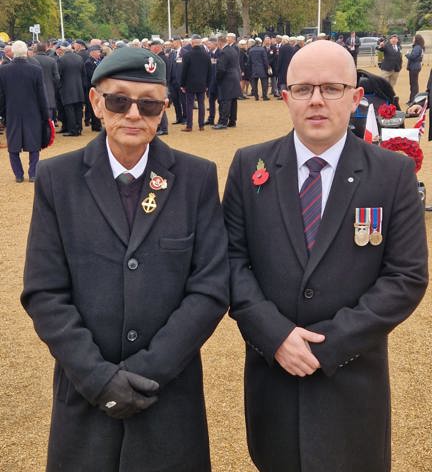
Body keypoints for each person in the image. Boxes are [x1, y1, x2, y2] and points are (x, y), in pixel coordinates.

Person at [222, 40, 428, 472]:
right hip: (273, 381)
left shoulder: (391, 174)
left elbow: (405, 277)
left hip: (353, 384)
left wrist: (328, 346)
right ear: (286, 97)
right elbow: (231, 263)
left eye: (332, 88)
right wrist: (276, 336)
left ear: (356, 97)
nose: (316, 100)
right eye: (303, 89)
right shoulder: (248, 166)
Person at [21, 47, 229, 472]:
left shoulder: (196, 177)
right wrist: (98, 379)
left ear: (164, 110)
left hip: (167, 396)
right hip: (86, 396)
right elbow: (44, 292)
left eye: (149, 104)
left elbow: (210, 288)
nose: (134, 113)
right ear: (97, 102)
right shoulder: (58, 180)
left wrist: (149, 371)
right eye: (119, 100)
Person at [0, 40, 49, 182]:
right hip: (33, 112)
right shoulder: (35, 70)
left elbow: (1, 95)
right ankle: (33, 173)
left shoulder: (3, 70)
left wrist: (3, 113)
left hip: (12, 111)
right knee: (34, 144)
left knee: (13, 145)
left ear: (13, 52)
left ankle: (18, 175)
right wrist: (45, 115)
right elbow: (42, 95)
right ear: (26, 52)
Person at [180, 34, 211, 132]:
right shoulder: (206, 55)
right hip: (202, 83)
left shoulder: (187, 55)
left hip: (190, 83)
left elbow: (184, 71)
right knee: (201, 104)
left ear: (192, 43)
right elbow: (210, 71)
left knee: (189, 104)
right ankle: (201, 125)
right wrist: (207, 84)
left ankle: (189, 125)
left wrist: (182, 84)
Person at [213, 34, 241, 129]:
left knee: (225, 100)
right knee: (233, 101)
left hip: (226, 79)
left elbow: (221, 69)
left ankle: (223, 122)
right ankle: (232, 121)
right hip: (234, 76)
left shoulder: (223, 52)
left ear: (220, 42)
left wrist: (217, 78)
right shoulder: (233, 50)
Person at [405, 33, 425, 103]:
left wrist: (407, 54)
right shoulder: (419, 47)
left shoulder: (417, 47)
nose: (413, 40)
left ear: (416, 40)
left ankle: (413, 100)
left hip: (414, 67)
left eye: (414, 38)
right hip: (416, 66)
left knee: (414, 85)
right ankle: (412, 99)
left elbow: (413, 57)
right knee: (413, 84)